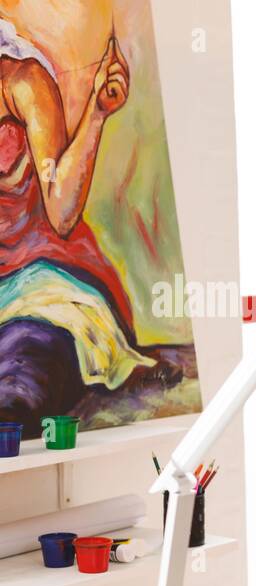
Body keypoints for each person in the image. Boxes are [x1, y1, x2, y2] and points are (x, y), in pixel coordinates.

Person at [0, 24, 168, 437]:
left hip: (42, 286)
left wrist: (96, 112)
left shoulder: (23, 83)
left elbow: (62, 213)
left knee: (18, 382)